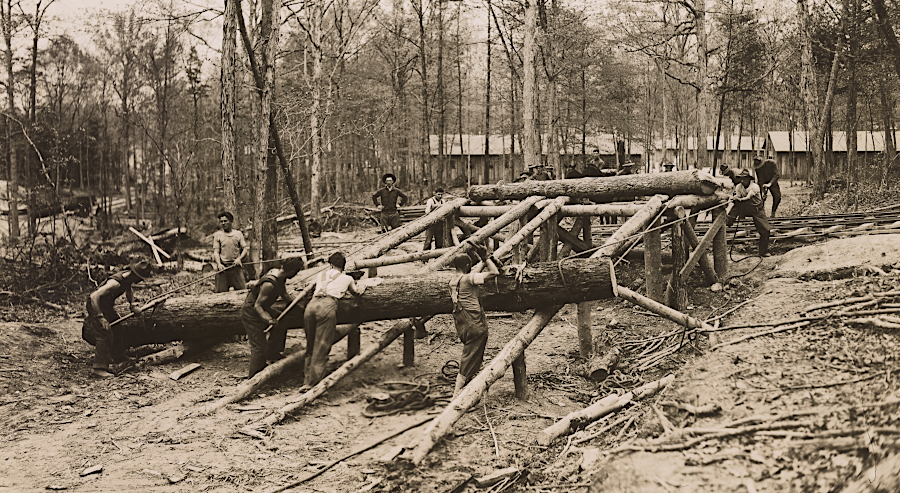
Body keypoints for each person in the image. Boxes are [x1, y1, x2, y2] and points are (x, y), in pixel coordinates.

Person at [303, 252, 367, 386]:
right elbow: (357, 293)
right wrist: (363, 287)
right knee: (321, 345)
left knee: (310, 344)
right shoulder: (347, 278)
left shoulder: (321, 274)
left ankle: (306, 379)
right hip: (326, 307)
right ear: (343, 266)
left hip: (311, 306)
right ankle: (313, 383)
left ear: (330, 264)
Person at [82, 259, 153, 378]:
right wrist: (101, 317)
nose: (140, 280)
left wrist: (132, 305)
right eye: (140, 278)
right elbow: (94, 296)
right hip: (96, 306)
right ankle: (98, 368)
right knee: (105, 333)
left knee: (117, 329)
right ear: (135, 275)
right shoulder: (115, 283)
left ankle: (118, 356)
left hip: (107, 306)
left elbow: (129, 289)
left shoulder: (127, 278)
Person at [240, 257, 305, 378]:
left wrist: (298, 307)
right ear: (291, 271)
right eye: (296, 272)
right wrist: (269, 319)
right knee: (259, 347)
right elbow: (257, 306)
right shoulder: (269, 284)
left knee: (283, 321)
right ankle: (254, 377)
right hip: (251, 312)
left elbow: (284, 294)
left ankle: (273, 354)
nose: (295, 275)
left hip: (264, 307)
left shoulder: (279, 275)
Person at [449, 245, 499, 397]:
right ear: (467, 266)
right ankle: (457, 395)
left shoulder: (453, 281)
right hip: (475, 324)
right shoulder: (469, 279)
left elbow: (473, 275)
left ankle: (469, 386)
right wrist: (486, 257)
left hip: (462, 325)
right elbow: (494, 272)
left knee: (472, 353)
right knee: (470, 357)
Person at [727, 169, 771, 257]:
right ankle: (728, 222)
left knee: (766, 230)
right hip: (745, 207)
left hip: (756, 209)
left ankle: (763, 252)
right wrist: (734, 198)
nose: (742, 181)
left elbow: (748, 197)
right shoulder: (739, 186)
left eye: (744, 179)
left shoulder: (755, 186)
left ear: (749, 179)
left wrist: (739, 199)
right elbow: (738, 195)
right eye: (741, 179)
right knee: (736, 206)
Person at [213, 211, 250, 293]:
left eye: (225, 221)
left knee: (243, 293)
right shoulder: (218, 235)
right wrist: (219, 264)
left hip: (235, 267)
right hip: (223, 268)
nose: (223, 223)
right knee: (219, 295)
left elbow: (245, 249)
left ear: (231, 222)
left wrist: (239, 259)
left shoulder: (238, 234)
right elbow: (216, 252)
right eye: (221, 221)